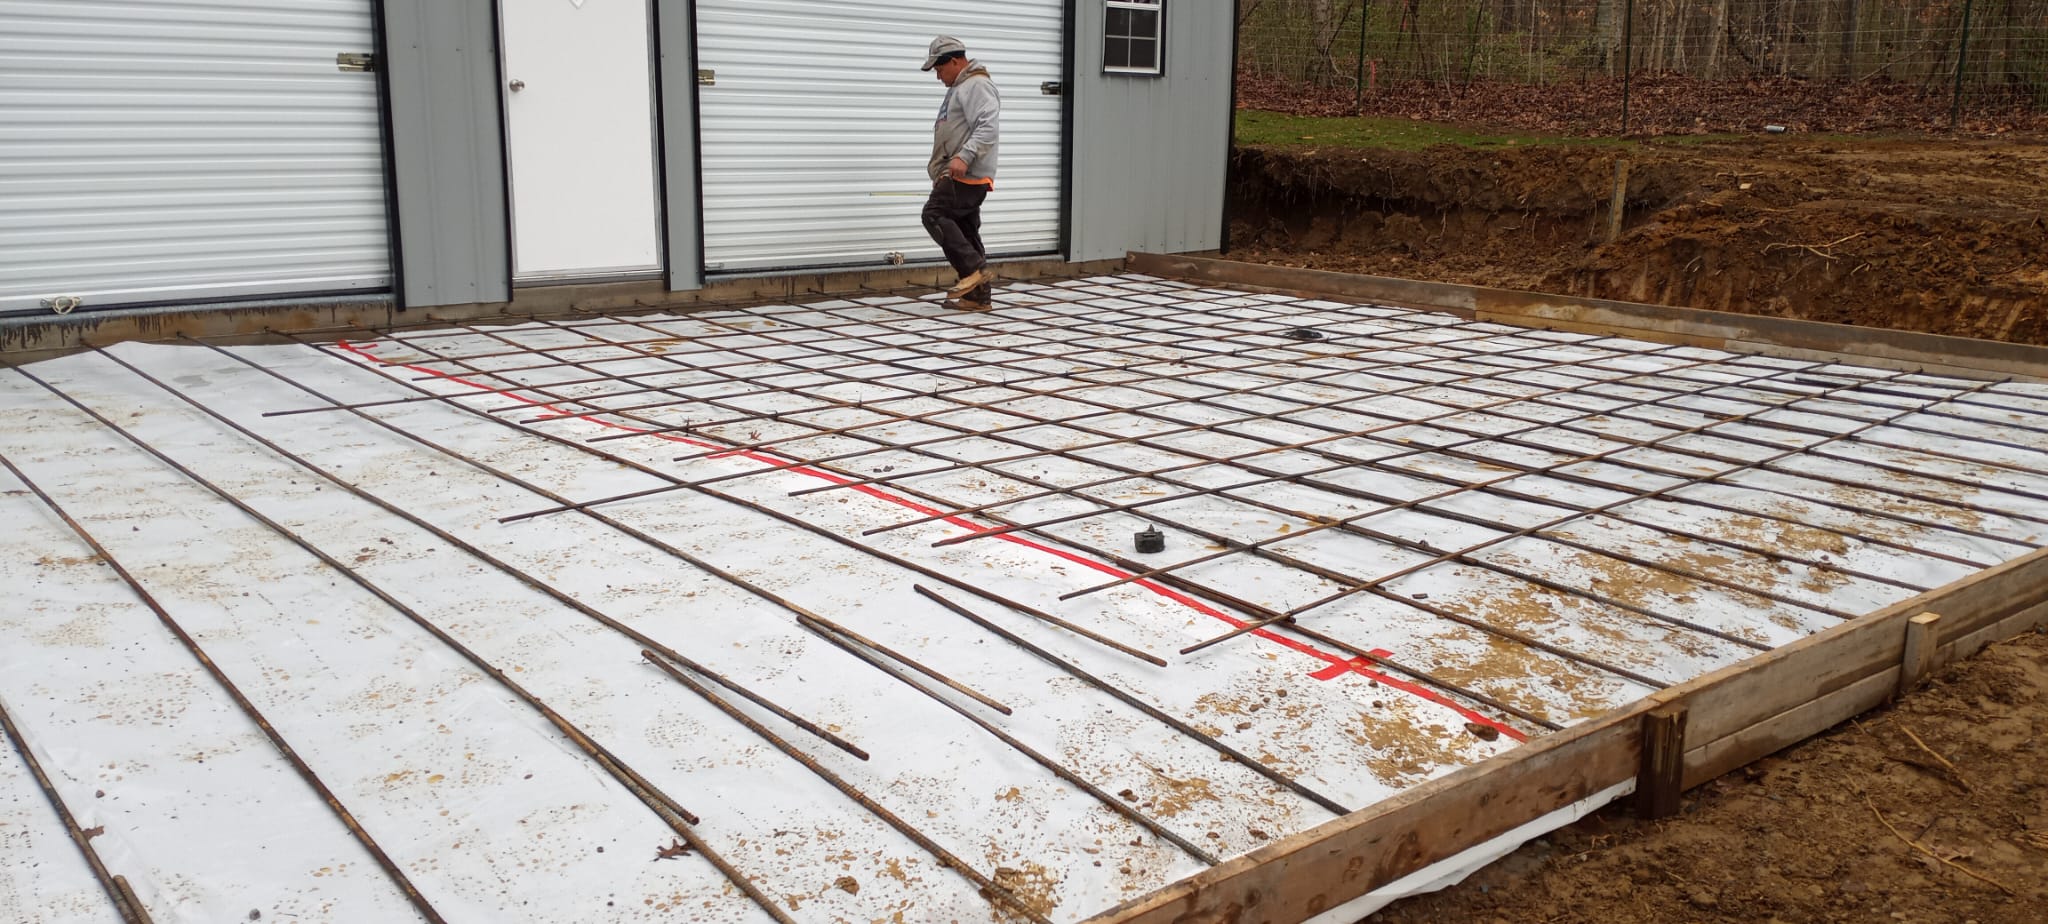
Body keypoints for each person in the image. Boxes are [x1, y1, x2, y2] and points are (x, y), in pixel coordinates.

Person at [919, 35, 999, 311]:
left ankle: (973, 269)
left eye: (940, 69)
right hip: (959, 171)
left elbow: (988, 126)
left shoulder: (976, 85)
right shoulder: (962, 86)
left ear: (955, 61)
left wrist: (964, 157)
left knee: (934, 214)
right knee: (964, 227)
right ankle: (977, 297)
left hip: (966, 171)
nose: (938, 76)